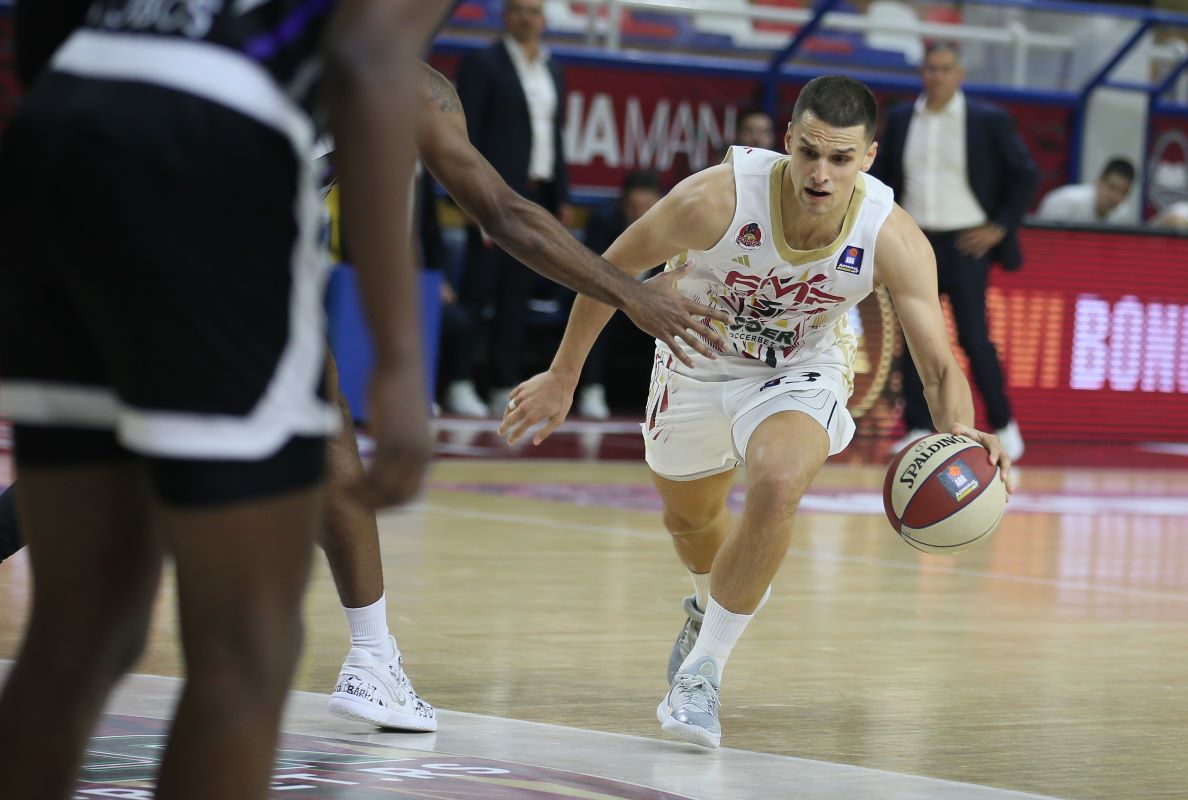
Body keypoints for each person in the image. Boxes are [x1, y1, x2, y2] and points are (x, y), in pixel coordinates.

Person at [0, 54, 726, 749]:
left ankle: (372, 657)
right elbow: (502, 215)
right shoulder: (409, 86)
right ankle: (370, 660)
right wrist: (630, 292)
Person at [0, 3, 450, 800]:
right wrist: (402, 363)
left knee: (82, 627)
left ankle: (374, 659)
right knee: (247, 648)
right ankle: (373, 662)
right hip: (204, 165)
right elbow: (377, 69)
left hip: (59, 136)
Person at [499, 76, 1014, 750]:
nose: (821, 173)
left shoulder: (892, 237)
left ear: (869, 157)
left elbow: (939, 366)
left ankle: (702, 673)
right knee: (691, 521)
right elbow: (609, 272)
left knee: (776, 484)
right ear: (787, 143)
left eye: (840, 158)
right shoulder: (714, 199)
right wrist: (564, 375)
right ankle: (705, 603)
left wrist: (960, 438)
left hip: (801, 370)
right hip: (697, 355)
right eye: (809, 153)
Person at [870, 41, 1036, 462]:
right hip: (913, 240)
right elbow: (884, 178)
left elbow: (1024, 175)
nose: (937, 76)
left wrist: (997, 227)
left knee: (973, 337)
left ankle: (1003, 424)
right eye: (930, 69)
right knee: (913, 336)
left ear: (960, 74)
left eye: (945, 69)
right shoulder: (902, 118)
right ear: (921, 72)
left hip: (966, 244)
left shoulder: (988, 120)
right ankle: (919, 428)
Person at [444, 0, 571, 418]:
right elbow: (463, 134)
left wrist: (562, 196)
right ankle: (460, 380)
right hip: (491, 198)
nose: (526, 17)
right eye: (518, 9)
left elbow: (555, 134)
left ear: (544, 18)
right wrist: (468, 197)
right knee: (478, 293)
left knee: (516, 297)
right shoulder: (483, 64)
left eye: (534, 10)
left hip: (537, 198)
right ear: (504, 15)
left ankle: (503, 384)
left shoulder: (553, 69)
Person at [575, 170, 666, 419]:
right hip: (608, 298)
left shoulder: (671, 227)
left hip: (651, 303)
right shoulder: (603, 222)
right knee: (594, 319)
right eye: (634, 207)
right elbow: (591, 270)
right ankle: (591, 390)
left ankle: (662, 396)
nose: (640, 214)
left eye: (647, 207)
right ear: (623, 203)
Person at [1035, 157, 1137, 225]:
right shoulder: (1065, 201)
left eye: (1123, 192)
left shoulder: (1123, 213)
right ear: (1099, 182)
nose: (1116, 197)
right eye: (1112, 188)